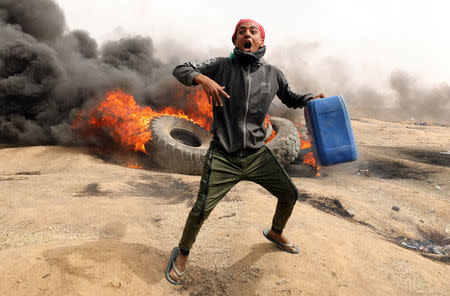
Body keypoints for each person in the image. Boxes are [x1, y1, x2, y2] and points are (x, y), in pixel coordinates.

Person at [166, 18, 325, 285]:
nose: (246, 35)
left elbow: (291, 98)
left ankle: (276, 232)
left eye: (253, 32)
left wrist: (309, 98)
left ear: (262, 41)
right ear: (235, 40)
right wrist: (203, 79)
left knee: (289, 194)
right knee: (201, 208)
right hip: (224, 155)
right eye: (241, 32)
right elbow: (181, 68)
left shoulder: (273, 73)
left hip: (256, 155)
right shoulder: (221, 66)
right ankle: (181, 254)